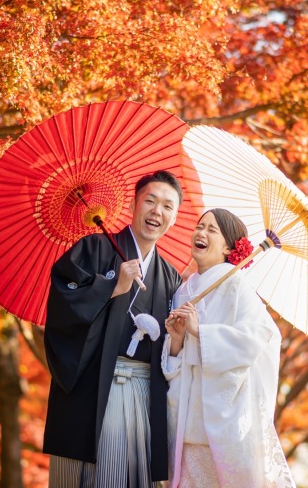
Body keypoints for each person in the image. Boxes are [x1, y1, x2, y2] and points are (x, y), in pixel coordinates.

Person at [43, 170, 184, 488]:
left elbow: (172, 351)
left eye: (167, 206)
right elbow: (62, 305)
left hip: (145, 394)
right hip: (94, 387)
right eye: (150, 201)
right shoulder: (93, 249)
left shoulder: (171, 277)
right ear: (133, 205)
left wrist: (177, 338)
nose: (157, 211)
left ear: (174, 218)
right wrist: (111, 287)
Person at [162, 208, 295, 488]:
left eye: (212, 230)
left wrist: (201, 332)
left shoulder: (236, 284)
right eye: (200, 227)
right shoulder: (183, 290)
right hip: (185, 415)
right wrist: (176, 340)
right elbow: (178, 354)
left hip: (220, 420)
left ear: (228, 248)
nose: (201, 233)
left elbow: (260, 335)